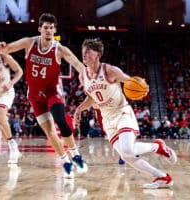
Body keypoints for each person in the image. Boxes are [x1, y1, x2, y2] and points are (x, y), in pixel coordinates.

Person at [74, 39, 177, 189]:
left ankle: (157, 146)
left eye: (88, 52)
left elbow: (130, 81)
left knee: (128, 150)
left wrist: (142, 87)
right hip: (107, 118)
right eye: (83, 52)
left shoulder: (110, 70)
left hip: (122, 112)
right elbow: (92, 97)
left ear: (98, 55)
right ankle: (163, 177)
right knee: (126, 156)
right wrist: (78, 109)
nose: (84, 55)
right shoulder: (82, 76)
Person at [0, 13, 87, 178]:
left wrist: (87, 76)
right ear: (40, 29)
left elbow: (76, 63)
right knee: (50, 132)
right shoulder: (29, 43)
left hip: (52, 92)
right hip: (35, 96)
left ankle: (75, 155)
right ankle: (66, 160)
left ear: (54, 30)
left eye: (52, 28)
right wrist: (3, 47)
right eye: (46, 27)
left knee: (60, 120)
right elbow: (8, 48)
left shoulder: (59, 49)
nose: (49, 30)